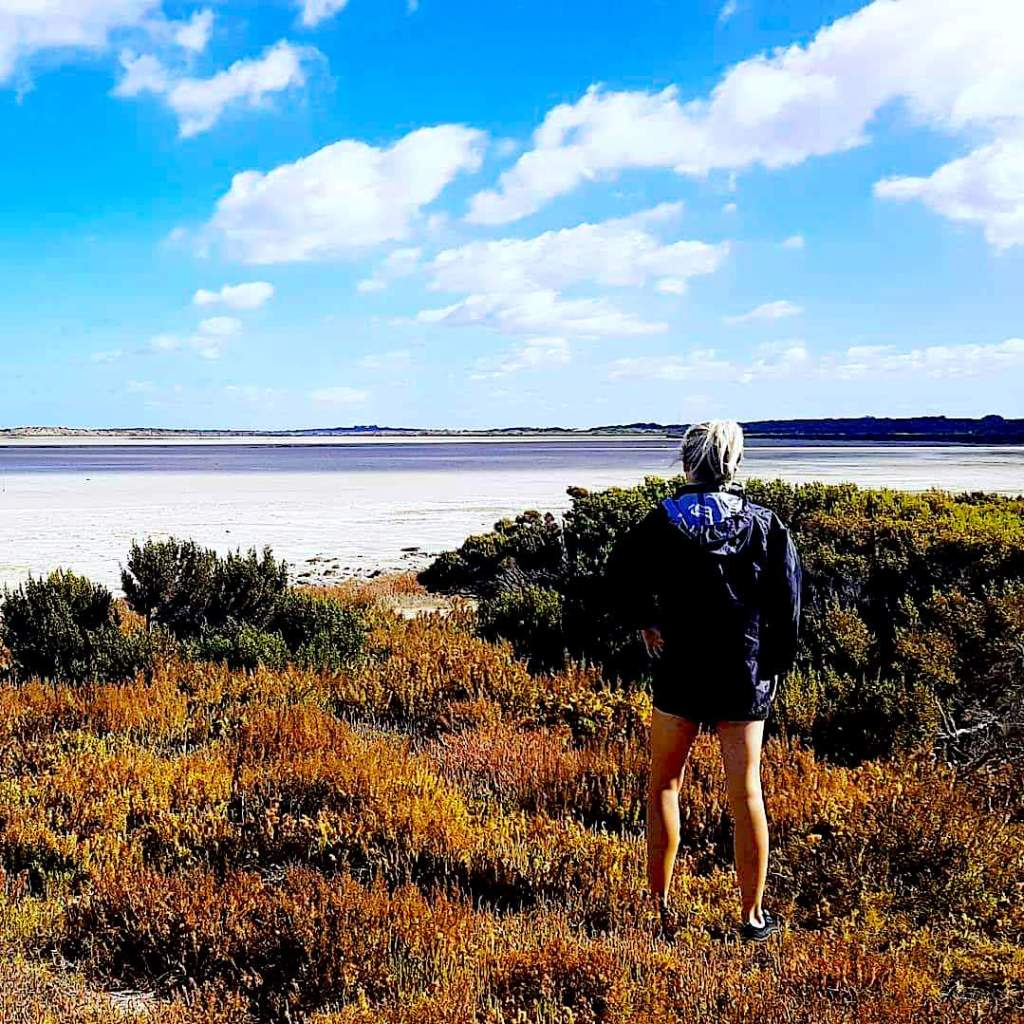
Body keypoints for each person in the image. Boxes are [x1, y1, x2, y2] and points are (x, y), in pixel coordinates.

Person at [606, 420, 801, 942]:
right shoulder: (765, 525)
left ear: (686, 462)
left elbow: (618, 573)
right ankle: (752, 917)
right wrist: (774, 667)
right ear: (734, 463)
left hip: (680, 668)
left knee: (664, 786)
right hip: (744, 670)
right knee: (747, 794)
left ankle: (659, 909)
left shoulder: (660, 522)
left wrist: (644, 619)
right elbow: (787, 604)